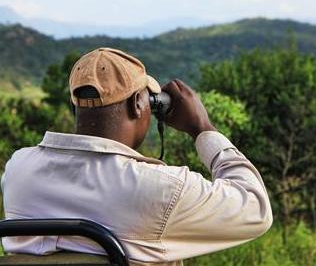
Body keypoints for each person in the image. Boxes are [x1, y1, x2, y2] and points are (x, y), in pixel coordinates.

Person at [1, 47, 273, 265]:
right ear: (138, 104)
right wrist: (202, 128)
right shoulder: (161, 189)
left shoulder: (18, 170)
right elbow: (255, 209)